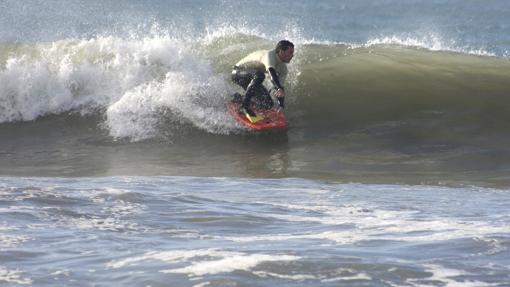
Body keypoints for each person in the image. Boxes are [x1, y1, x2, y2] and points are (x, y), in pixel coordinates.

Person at [231, 40, 294, 118]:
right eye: (290, 52)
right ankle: (244, 106)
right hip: (238, 72)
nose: (292, 55)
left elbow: (280, 87)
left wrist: (281, 105)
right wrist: (278, 88)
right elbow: (271, 73)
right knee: (260, 75)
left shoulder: (283, 68)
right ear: (281, 51)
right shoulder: (270, 55)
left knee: (268, 104)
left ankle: (239, 98)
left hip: (251, 78)